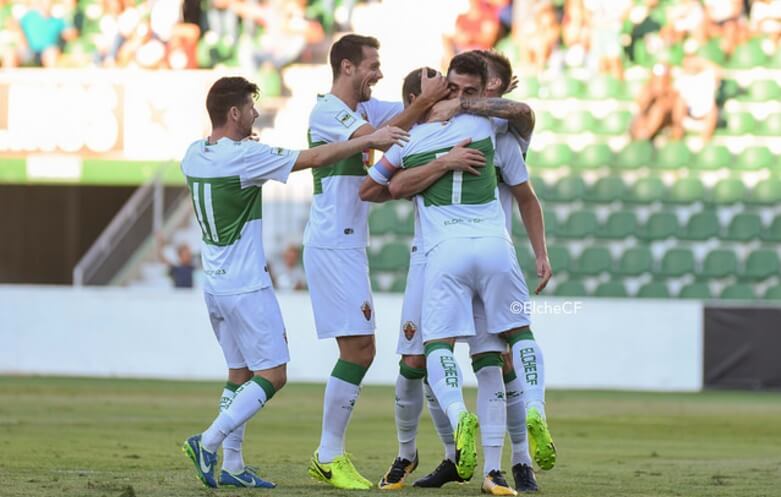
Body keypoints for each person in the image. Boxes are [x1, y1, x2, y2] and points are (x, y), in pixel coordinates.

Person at [180, 76, 408, 489]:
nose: (255, 114)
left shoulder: (193, 154)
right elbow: (315, 159)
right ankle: (209, 441)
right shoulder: (246, 157)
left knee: (239, 373)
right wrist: (369, 139)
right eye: (250, 107)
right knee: (273, 374)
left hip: (213, 284)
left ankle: (232, 464)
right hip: (246, 284)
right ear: (234, 113)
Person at [362, 52, 541, 495]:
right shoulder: (432, 134)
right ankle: (433, 455)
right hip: (432, 255)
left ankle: (514, 462)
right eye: (454, 90)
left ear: (492, 90)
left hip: (488, 251)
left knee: (497, 359)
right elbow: (380, 188)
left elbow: (525, 185)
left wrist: (540, 253)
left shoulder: (502, 133)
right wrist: (441, 160)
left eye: (475, 91)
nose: (464, 97)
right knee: (414, 360)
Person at [303, 34, 449, 491]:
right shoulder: (327, 111)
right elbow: (383, 139)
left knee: (362, 349)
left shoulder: (366, 109)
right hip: (331, 244)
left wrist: (473, 93)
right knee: (360, 350)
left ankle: (329, 454)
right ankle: (328, 455)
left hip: (348, 244)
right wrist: (418, 106)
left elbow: (415, 115)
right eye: (373, 65)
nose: (379, 74)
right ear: (346, 67)